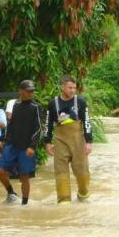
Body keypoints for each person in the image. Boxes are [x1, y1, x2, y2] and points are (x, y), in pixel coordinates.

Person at [44, 76, 92, 204]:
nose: (72, 90)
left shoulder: (81, 102)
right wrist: (47, 142)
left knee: (82, 172)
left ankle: (83, 193)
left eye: (74, 88)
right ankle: (64, 200)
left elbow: (87, 122)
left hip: (78, 141)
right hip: (60, 141)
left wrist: (89, 142)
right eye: (70, 87)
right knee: (61, 172)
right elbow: (48, 123)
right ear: (62, 87)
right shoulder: (53, 103)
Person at [0, 80, 42, 205]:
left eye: (32, 90)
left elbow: (38, 128)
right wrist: (2, 139)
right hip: (12, 144)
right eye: (28, 90)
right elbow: (11, 125)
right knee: (0, 170)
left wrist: (32, 146)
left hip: (26, 147)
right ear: (20, 91)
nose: (30, 93)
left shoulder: (36, 107)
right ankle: (11, 192)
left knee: (24, 176)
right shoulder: (16, 105)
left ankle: (24, 204)